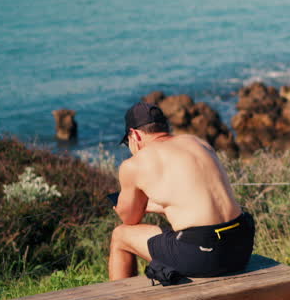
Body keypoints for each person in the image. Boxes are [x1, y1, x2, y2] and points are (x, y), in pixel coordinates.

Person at [108, 101, 254, 281]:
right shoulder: (198, 142)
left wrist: (127, 205)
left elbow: (130, 219)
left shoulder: (135, 164)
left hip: (205, 255)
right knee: (185, 233)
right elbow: (195, 204)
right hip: (241, 246)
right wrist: (151, 206)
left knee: (120, 235)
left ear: (134, 135)